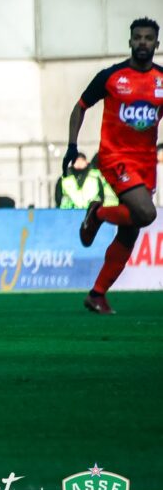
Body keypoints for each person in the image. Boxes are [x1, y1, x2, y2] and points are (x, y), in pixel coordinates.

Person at [68, 18, 161, 315]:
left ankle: (97, 294)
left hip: (146, 162)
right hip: (114, 157)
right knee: (146, 213)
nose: (143, 42)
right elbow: (80, 106)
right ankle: (98, 213)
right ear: (130, 42)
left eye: (149, 38)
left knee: (130, 229)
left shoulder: (162, 79)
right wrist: (72, 146)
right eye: (138, 38)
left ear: (157, 44)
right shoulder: (112, 76)